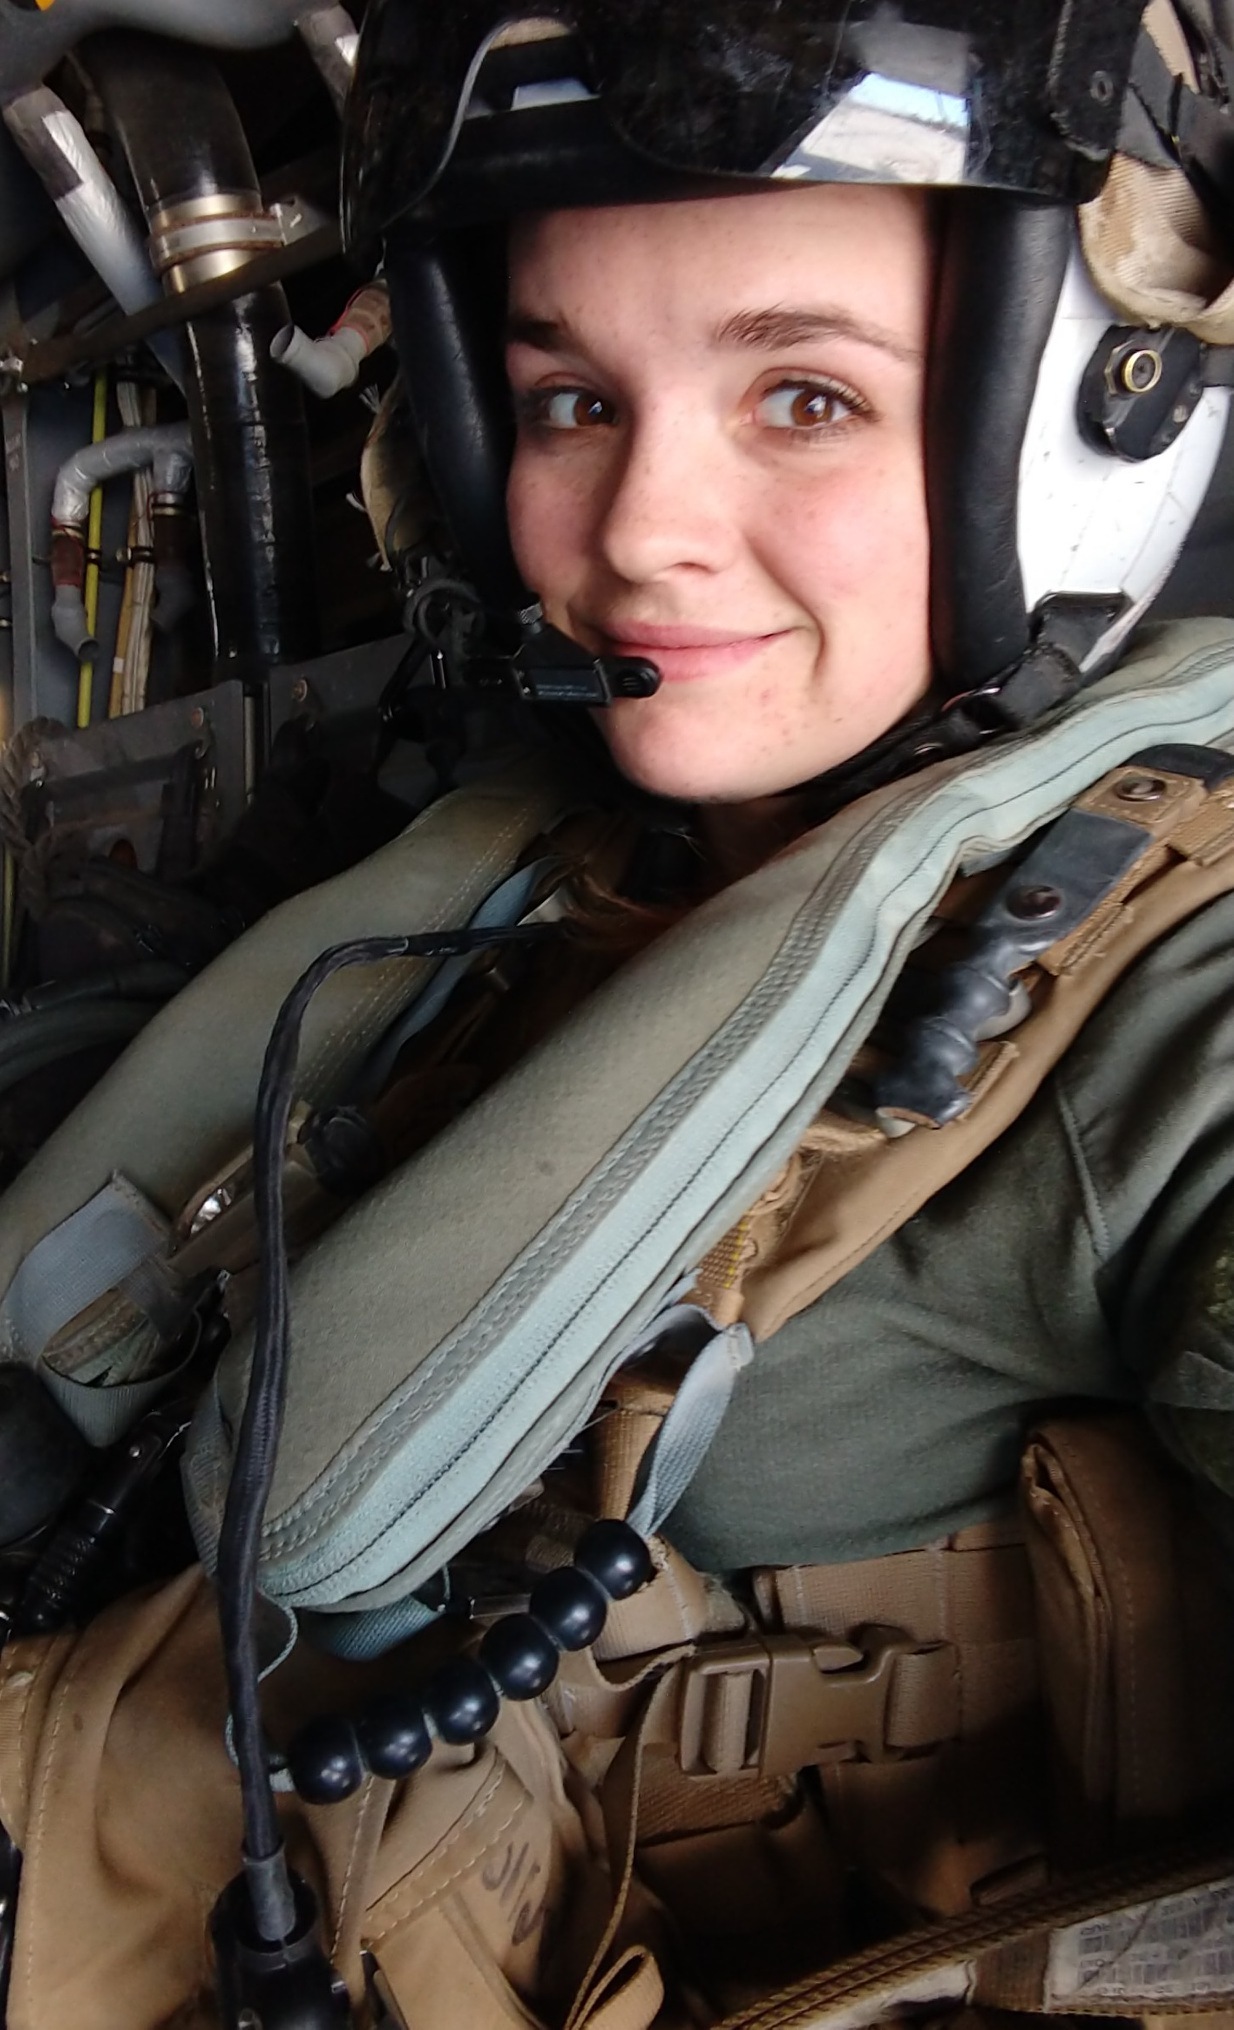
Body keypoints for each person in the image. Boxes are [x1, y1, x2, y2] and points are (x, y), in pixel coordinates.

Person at [5, 2, 1234, 2026]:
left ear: (1097, 409)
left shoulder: (1167, 1003)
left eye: (803, 400)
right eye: (569, 399)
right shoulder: (538, 844)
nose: (639, 528)